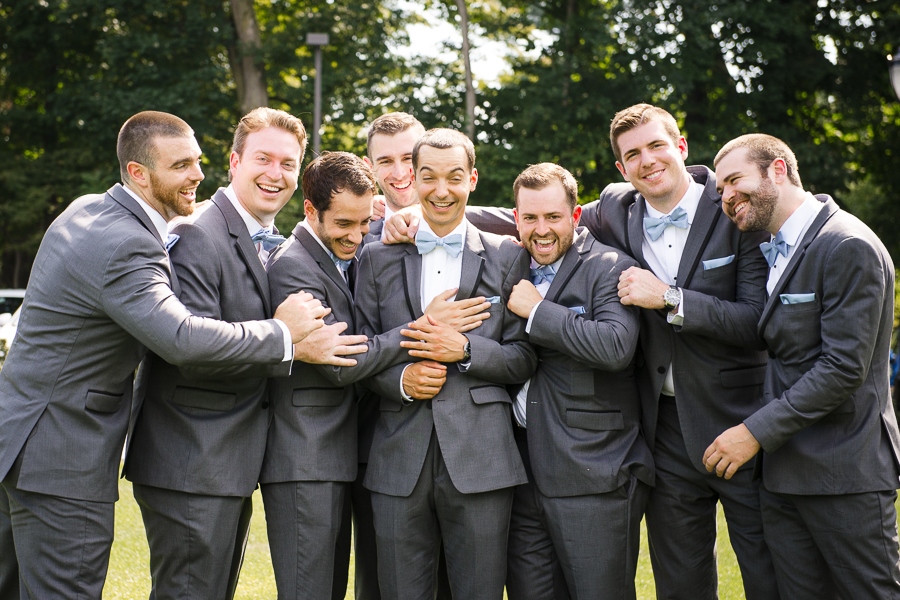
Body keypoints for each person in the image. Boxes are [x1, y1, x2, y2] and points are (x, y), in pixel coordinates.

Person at [389, 103, 780, 599]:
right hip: (542, 459)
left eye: (656, 146)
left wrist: (539, 313)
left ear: (681, 147)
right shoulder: (600, 216)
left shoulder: (722, 214)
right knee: (677, 579)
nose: (647, 161)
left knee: (769, 572)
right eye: (632, 154)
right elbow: (492, 213)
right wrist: (411, 213)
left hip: (688, 432)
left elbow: (623, 345)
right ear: (621, 168)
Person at [0, 110, 326, 599]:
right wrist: (284, 334)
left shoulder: (87, 208)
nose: (197, 174)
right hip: (63, 455)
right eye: (180, 166)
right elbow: (181, 338)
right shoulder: (127, 243)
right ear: (138, 173)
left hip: (22, 439)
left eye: (196, 161)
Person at [123, 107, 343, 599]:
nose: (276, 174)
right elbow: (192, 348)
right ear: (234, 161)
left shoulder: (273, 242)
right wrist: (292, 344)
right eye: (263, 159)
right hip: (190, 458)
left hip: (226, 463)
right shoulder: (197, 235)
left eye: (289, 164)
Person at [705, 133, 900, 598]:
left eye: (734, 181)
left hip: (844, 472)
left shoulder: (846, 243)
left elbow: (842, 368)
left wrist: (752, 432)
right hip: (784, 473)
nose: (727, 197)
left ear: (777, 169)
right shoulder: (772, 248)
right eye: (720, 191)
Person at [354, 128, 536, 599]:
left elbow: (524, 358)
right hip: (397, 459)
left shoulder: (510, 255)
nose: (440, 190)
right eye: (428, 177)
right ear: (412, 180)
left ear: (472, 179)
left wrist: (468, 351)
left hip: (482, 459)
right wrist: (403, 382)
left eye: (454, 177)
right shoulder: (375, 258)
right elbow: (363, 350)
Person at [261, 150, 412, 599]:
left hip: (340, 452)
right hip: (304, 460)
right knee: (310, 590)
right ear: (311, 210)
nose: (358, 235)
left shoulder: (347, 249)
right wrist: (412, 333)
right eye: (345, 224)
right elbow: (339, 363)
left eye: (365, 222)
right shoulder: (293, 266)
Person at [504, 163, 654, 600]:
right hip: (521, 473)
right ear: (516, 218)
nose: (541, 229)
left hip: (594, 472)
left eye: (553, 217)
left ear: (575, 214)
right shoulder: (510, 263)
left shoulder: (610, 267)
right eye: (529, 218)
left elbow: (614, 347)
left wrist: (537, 311)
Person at [363, 112, 426, 243]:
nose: (399, 174)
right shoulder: (355, 235)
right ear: (370, 168)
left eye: (408, 158)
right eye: (386, 161)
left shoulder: (472, 226)